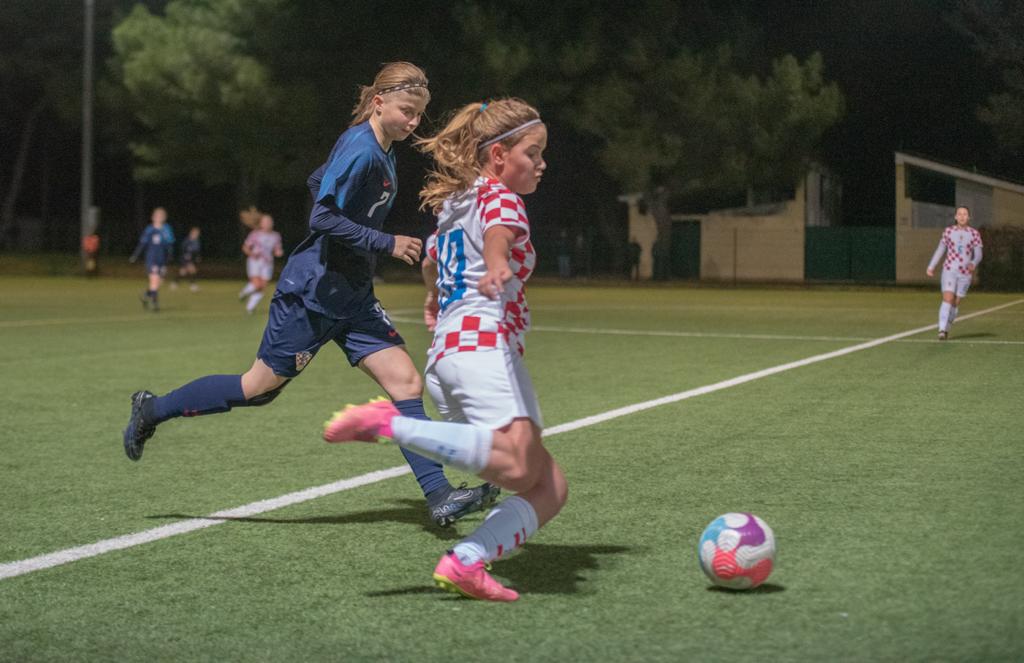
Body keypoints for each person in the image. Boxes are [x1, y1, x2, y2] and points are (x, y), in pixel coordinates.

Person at [122, 62, 497, 527]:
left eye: (419, 114)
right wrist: (385, 242)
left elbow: (318, 180)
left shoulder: (379, 147)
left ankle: (439, 496)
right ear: (379, 102)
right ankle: (151, 409)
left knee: (405, 383)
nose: (414, 122)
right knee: (257, 389)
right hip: (313, 295)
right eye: (407, 111)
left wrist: (361, 243)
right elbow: (320, 215)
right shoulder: (362, 148)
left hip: (352, 295)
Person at [324, 98, 565, 602]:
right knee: (522, 469)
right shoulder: (501, 198)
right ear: (498, 155)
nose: (542, 163)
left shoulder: (457, 203)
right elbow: (499, 234)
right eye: (533, 152)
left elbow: (431, 258)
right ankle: (390, 425)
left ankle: (466, 561)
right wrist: (496, 263)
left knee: (549, 485)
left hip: (448, 357)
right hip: (483, 347)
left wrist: (434, 296)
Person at [926, 205, 983, 340]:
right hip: (949, 269)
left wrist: (973, 263)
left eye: (965, 214)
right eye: (960, 214)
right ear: (956, 217)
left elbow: (979, 254)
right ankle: (941, 330)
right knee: (948, 298)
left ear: (969, 217)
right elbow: (941, 249)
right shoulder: (948, 231)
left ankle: (946, 329)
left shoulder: (974, 234)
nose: (962, 216)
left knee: (955, 303)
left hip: (965, 273)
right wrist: (931, 266)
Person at [129, 207, 175, 312]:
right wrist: (135, 255)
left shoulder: (167, 229)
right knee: (154, 281)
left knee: (159, 282)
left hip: (162, 260)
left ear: (164, 218)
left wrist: (170, 256)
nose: (159, 217)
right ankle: (155, 304)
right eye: (157, 216)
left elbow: (170, 244)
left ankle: (145, 296)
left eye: (161, 216)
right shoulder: (149, 229)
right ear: (153, 217)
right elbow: (142, 244)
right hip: (151, 259)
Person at [239, 214, 283, 313]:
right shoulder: (255, 234)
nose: (268, 223)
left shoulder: (276, 236)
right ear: (261, 223)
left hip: (268, 263)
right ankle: (244, 292)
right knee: (257, 284)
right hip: (255, 261)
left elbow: (277, 248)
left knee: (262, 286)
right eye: (266, 221)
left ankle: (250, 307)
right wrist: (252, 254)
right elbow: (245, 248)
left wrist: (278, 252)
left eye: (270, 221)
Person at [174, 226, 202, 292]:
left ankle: (175, 283)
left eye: (197, 233)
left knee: (182, 272)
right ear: (192, 233)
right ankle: (193, 285)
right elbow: (182, 249)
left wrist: (197, 257)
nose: (197, 234)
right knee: (193, 270)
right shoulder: (187, 240)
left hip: (191, 259)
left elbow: (196, 251)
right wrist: (185, 255)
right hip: (185, 259)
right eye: (195, 233)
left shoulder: (196, 241)